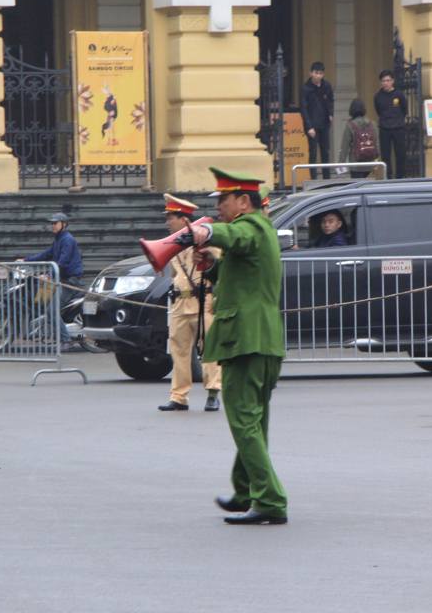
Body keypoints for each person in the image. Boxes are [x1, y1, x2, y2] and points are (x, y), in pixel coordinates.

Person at [189, 167, 288, 525]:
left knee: (244, 421)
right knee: (254, 422)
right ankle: (247, 490)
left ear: (244, 201)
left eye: (224, 201)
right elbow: (243, 276)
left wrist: (208, 231)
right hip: (260, 339)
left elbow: (237, 235)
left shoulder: (254, 226)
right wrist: (214, 266)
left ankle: (271, 500)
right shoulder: (258, 232)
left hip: (246, 339)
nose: (219, 208)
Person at [157, 194, 223, 412]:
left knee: (209, 350)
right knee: (179, 351)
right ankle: (179, 396)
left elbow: (216, 260)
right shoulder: (173, 244)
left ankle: (213, 392)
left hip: (202, 300)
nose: (167, 222)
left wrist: (203, 250)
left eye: (171, 217)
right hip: (180, 303)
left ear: (183, 219)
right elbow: (176, 274)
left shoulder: (205, 238)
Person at [24, 212, 84, 345]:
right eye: (52, 223)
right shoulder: (58, 240)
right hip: (60, 280)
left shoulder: (67, 240)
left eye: (55, 223)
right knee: (40, 300)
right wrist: (25, 260)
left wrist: (49, 275)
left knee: (52, 310)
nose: (53, 226)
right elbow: (46, 254)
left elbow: (63, 262)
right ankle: (45, 332)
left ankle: (66, 340)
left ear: (64, 224)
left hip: (70, 282)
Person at [301, 61, 335, 180]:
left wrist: (331, 114)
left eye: (320, 73)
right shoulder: (306, 88)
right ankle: (314, 179)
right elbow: (304, 109)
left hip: (324, 123)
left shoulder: (327, 86)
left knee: (325, 152)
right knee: (313, 153)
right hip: (312, 126)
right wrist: (309, 126)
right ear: (311, 73)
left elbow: (331, 101)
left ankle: (327, 178)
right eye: (316, 73)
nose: (318, 76)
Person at [374, 70, 408, 179]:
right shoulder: (378, 96)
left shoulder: (399, 94)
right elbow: (378, 110)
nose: (386, 83)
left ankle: (400, 176)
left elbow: (404, 109)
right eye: (383, 81)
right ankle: (387, 176)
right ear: (381, 82)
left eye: (388, 80)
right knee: (385, 155)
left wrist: (398, 119)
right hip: (384, 128)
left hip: (398, 127)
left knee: (400, 154)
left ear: (392, 81)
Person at [337, 98, 378, 178]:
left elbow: (344, 147)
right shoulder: (372, 124)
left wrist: (341, 164)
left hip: (355, 164)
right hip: (370, 163)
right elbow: (376, 143)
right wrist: (376, 161)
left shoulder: (350, 125)